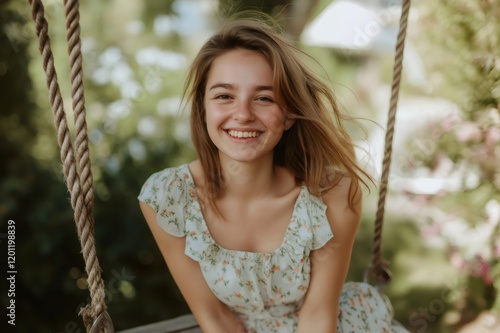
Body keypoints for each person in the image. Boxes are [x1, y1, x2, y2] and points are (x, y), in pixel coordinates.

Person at [138, 17, 407, 333]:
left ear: (289, 114)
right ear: (203, 109)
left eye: (264, 98)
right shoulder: (168, 198)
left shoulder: (331, 196)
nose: (243, 114)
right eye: (224, 96)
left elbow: (318, 318)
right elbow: (214, 318)